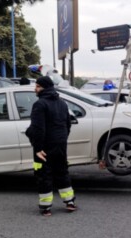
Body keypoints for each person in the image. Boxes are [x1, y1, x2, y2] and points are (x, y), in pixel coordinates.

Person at [25, 76, 76, 216]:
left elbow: (38, 128)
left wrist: (38, 148)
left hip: (45, 146)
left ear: (45, 88)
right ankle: (69, 201)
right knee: (62, 171)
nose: (35, 89)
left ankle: (46, 207)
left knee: (43, 174)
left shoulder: (39, 104)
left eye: (38, 86)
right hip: (60, 145)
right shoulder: (62, 103)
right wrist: (62, 139)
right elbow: (67, 125)